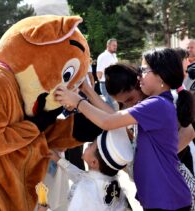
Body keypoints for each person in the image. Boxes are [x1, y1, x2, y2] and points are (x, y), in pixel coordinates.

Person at [55, 48, 194, 210]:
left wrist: (78, 101)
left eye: (144, 70)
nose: (139, 75)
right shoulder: (158, 104)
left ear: (160, 76)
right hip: (161, 197)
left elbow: (108, 121)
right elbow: (113, 118)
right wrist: (87, 90)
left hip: (166, 197)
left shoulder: (156, 105)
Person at [38, 127, 133, 211]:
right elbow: (80, 176)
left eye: (91, 145)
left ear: (94, 162)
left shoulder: (85, 193)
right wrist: (58, 160)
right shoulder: (107, 181)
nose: (87, 145)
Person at [96, 38, 118, 109]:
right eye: (113, 45)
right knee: (111, 107)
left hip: (113, 84)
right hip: (106, 84)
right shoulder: (103, 56)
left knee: (114, 105)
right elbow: (99, 72)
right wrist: (102, 81)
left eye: (116, 45)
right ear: (108, 45)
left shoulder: (114, 56)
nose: (115, 47)